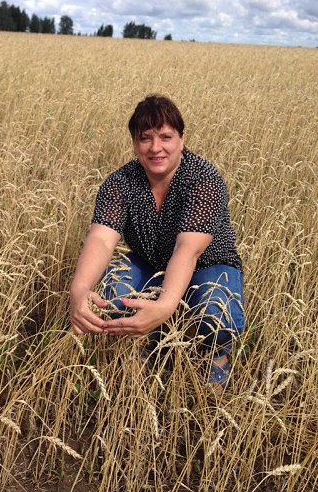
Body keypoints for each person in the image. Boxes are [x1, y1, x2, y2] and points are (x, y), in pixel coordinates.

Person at [69, 95, 244, 392]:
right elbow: (101, 238)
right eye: (145, 138)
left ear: (182, 138)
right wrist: (79, 289)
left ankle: (215, 355)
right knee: (113, 293)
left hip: (208, 264)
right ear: (134, 142)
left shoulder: (204, 179)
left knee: (218, 313)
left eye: (165, 137)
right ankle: (146, 343)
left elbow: (188, 249)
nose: (155, 147)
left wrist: (165, 304)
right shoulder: (120, 183)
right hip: (151, 261)